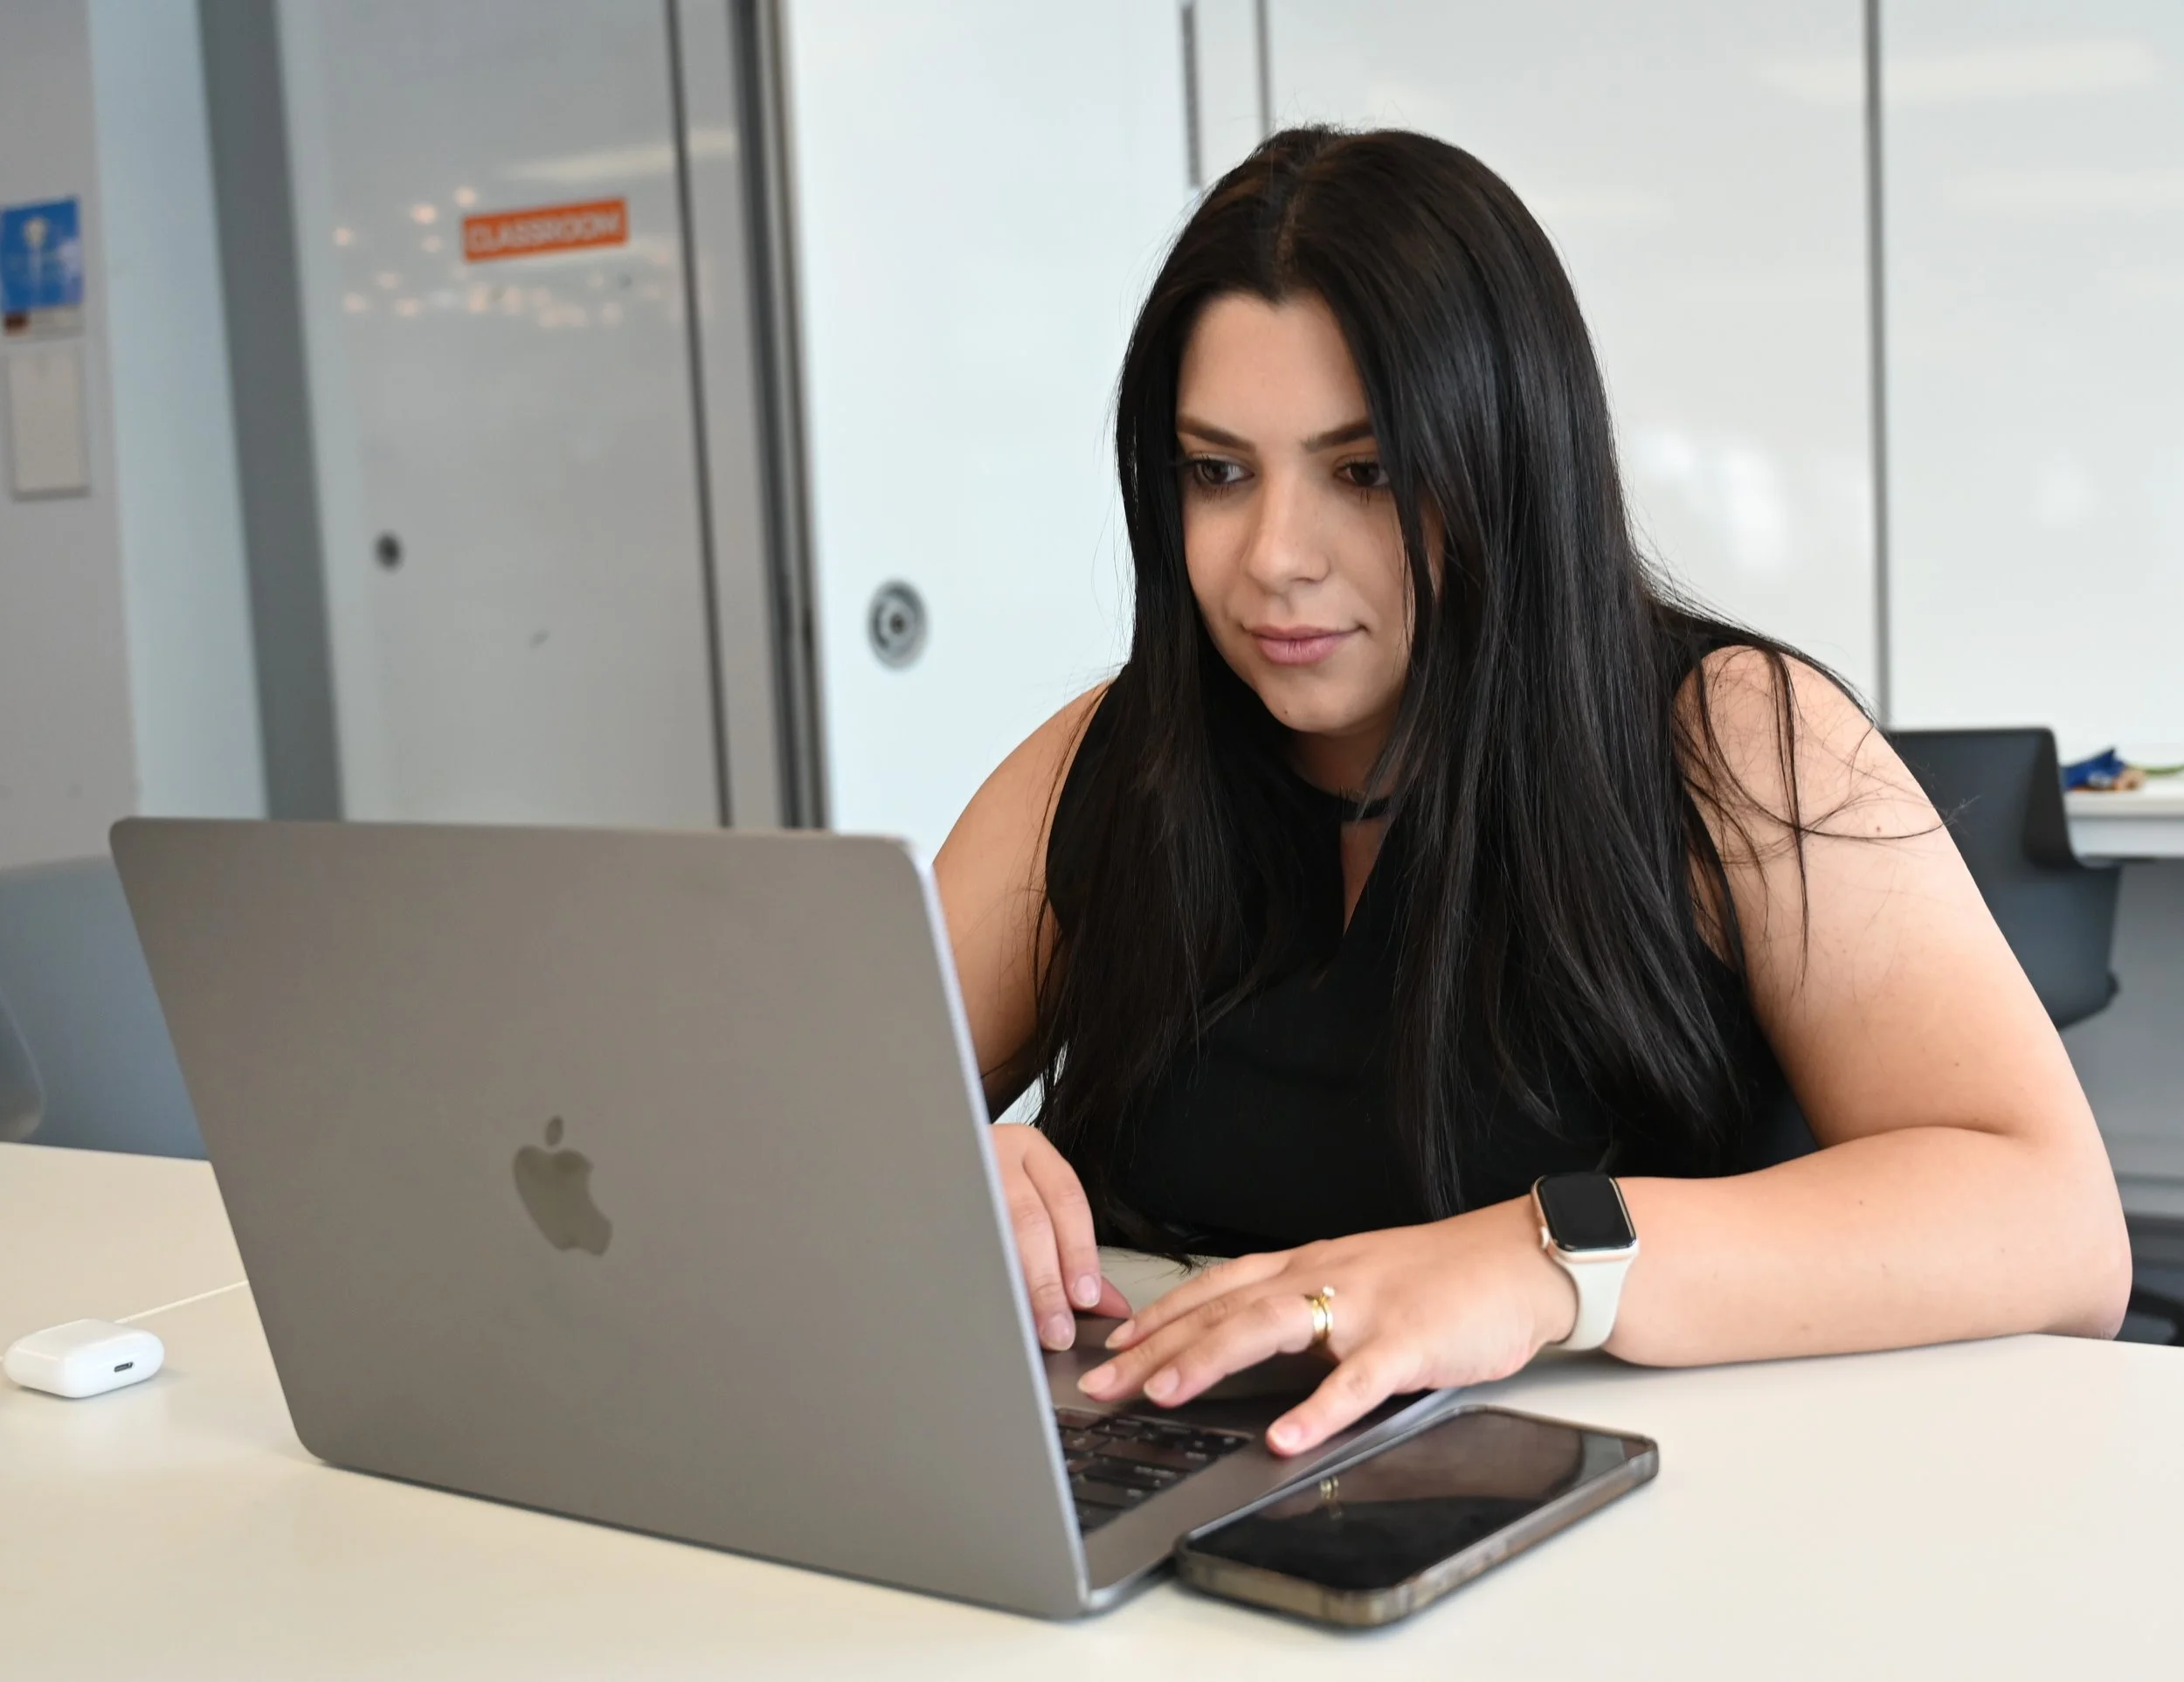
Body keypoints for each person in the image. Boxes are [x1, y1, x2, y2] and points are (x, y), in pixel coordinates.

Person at [933, 127, 2129, 1459]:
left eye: (1366, 473)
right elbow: (807, 1113)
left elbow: (2059, 1229)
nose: (1274, 558)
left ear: (1509, 461)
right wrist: (923, 1174)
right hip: (1182, 1502)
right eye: (1218, 473)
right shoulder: (1112, 754)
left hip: (1629, 1526)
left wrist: (1542, 1256)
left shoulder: (1730, 741)